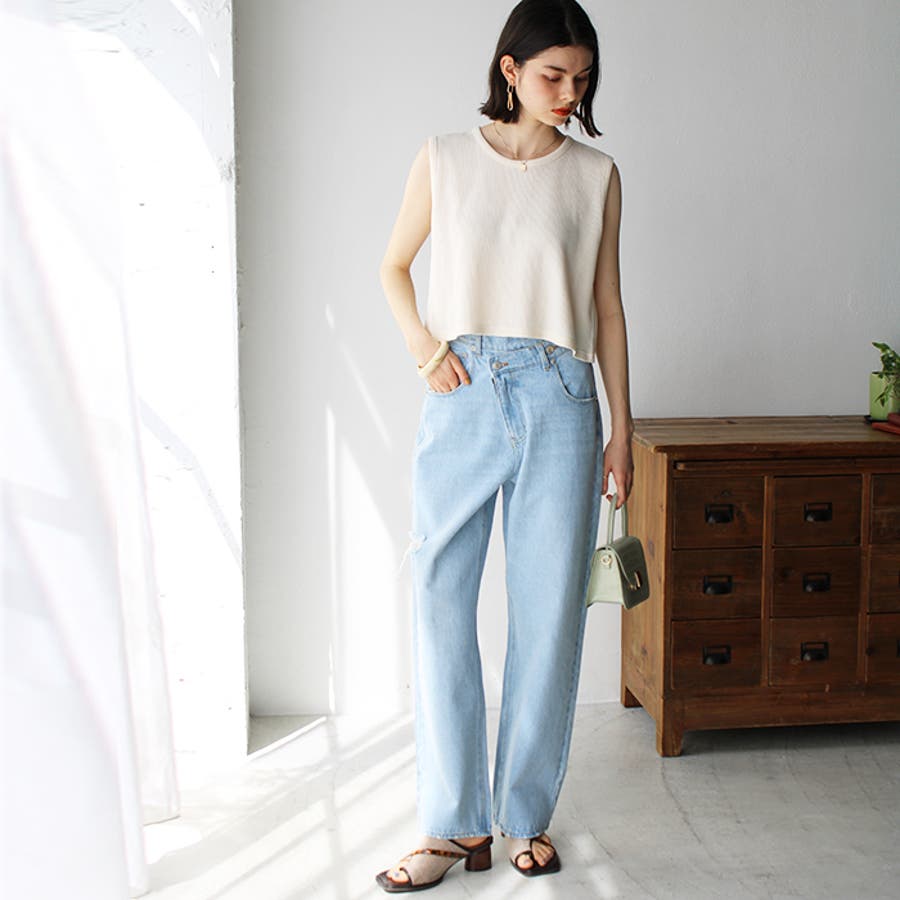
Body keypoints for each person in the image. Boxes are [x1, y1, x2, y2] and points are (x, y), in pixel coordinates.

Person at [376, 0, 634, 891]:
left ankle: (523, 816)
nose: (569, 93)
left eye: (582, 78)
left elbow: (607, 308)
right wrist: (425, 348)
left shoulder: (595, 175)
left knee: (549, 615)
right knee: (440, 600)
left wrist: (624, 427)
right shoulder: (445, 158)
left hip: (564, 397)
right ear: (511, 69)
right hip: (463, 390)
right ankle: (453, 827)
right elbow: (392, 266)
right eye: (554, 74)